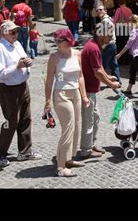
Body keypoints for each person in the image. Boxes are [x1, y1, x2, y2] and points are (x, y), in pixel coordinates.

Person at [0, 21, 41, 167]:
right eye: (13, 32)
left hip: (22, 86)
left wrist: (28, 62)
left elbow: (23, 60)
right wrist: (17, 66)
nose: (16, 34)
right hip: (8, 89)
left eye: (17, 32)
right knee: (11, 121)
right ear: (4, 33)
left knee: (26, 118)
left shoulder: (17, 44)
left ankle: (25, 151)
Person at [44, 29, 90, 177]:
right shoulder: (54, 57)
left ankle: (69, 158)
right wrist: (48, 100)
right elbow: (49, 80)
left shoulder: (77, 54)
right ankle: (61, 166)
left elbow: (81, 76)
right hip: (61, 94)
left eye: (59, 40)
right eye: (55, 40)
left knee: (77, 126)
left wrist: (84, 96)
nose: (56, 43)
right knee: (68, 127)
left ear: (68, 40)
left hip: (75, 92)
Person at [80, 22, 120, 159]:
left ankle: (91, 144)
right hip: (88, 89)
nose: (110, 37)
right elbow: (97, 72)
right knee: (89, 119)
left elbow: (99, 67)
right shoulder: (94, 48)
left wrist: (108, 77)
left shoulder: (95, 46)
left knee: (95, 117)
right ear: (101, 34)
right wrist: (110, 84)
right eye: (109, 34)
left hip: (91, 88)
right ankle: (86, 149)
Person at [116, 14, 138, 94]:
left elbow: (128, 45)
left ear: (132, 22)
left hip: (137, 54)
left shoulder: (134, 32)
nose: (128, 24)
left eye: (129, 22)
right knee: (132, 71)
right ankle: (128, 89)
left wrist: (120, 54)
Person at [97, 4, 121, 83]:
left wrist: (103, 45)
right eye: (97, 10)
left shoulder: (105, 20)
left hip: (108, 45)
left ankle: (98, 81)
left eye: (101, 10)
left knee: (101, 65)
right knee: (113, 64)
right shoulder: (107, 19)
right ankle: (116, 81)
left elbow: (109, 34)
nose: (99, 11)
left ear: (105, 10)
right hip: (112, 44)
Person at [113, 0, 133, 65]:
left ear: (119, 3)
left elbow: (115, 20)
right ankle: (126, 61)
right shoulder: (129, 10)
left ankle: (120, 61)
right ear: (125, 3)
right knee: (126, 44)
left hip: (120, 28)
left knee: (119, 44)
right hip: (128, 28)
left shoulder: (119, 9)